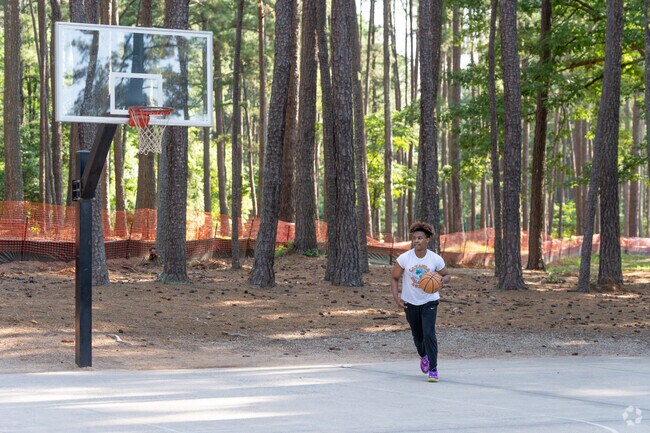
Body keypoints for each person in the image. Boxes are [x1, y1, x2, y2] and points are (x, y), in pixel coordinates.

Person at [390, 221, 451, 382]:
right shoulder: (405, 258)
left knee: (429, 334)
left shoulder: (435, 259)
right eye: (414, 238)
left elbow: (447, 275)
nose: (417, 241)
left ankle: (433, 369)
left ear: (427, 240)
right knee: (417, 336)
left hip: (429, 301)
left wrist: (440, 280)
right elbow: (395, 278)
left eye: (420, 238)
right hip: (410, 302)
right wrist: (397, 297)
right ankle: (423, 355)